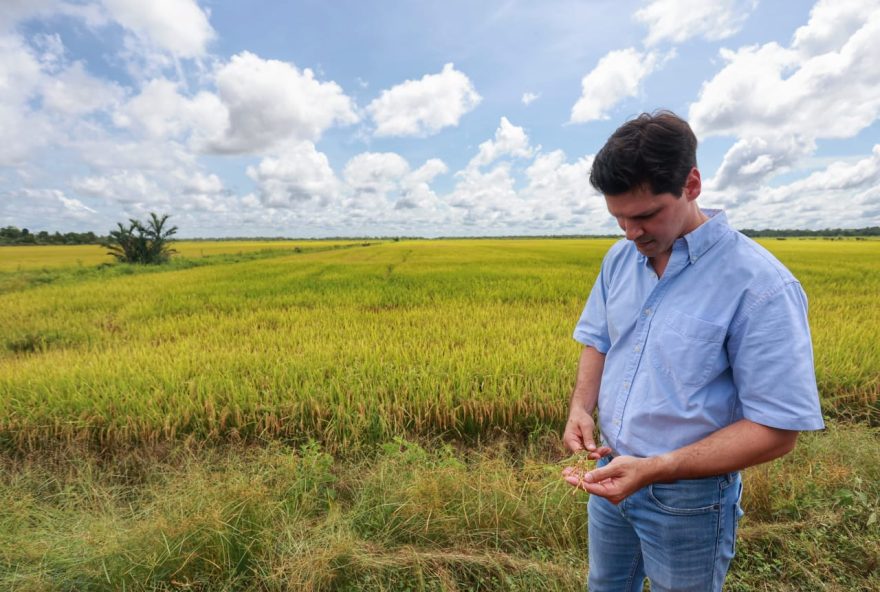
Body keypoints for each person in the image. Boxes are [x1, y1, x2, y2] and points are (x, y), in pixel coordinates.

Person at [561, 111, 825, 591]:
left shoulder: (761, 285)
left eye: (644, 215)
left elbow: (778, 429)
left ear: (692, 184)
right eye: (617, 217)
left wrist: (656, 469)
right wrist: (581, 406)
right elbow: (599, 339)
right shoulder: (620, 259)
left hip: (691, 499)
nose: (630, 233)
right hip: (609, 469)